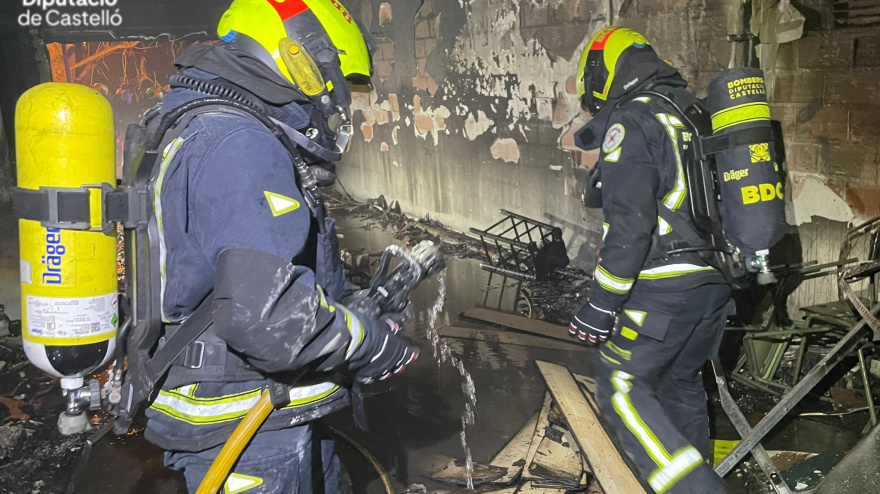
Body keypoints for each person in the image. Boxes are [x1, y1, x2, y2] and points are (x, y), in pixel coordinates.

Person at [140, 1, 418, 492]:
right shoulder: (239, 143)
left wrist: (351, 305)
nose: (340, 102)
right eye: (339, 81)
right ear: (306, 60)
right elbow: (266, 320)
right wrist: (375, 346)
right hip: (247, 424)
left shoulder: (209, 127)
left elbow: (248, 273)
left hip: (269, 410)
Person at [568, 26, 731, 493]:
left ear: (604, 71)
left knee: (622, 386)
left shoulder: (633, 121)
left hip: (666, 288)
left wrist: (600, 306)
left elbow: (630, 226)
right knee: (681, 384)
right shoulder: (693, 113)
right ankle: (696, 473)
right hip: (715, 284)